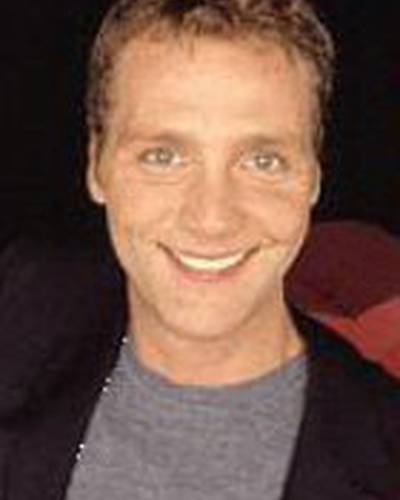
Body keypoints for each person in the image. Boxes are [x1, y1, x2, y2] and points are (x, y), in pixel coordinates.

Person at [0, 1, 399, 499]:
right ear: (96, 165)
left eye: (263, 161)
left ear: (313, 177)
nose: (212, 219)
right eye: (163, 156)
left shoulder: (384, 458)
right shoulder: (22, 305)